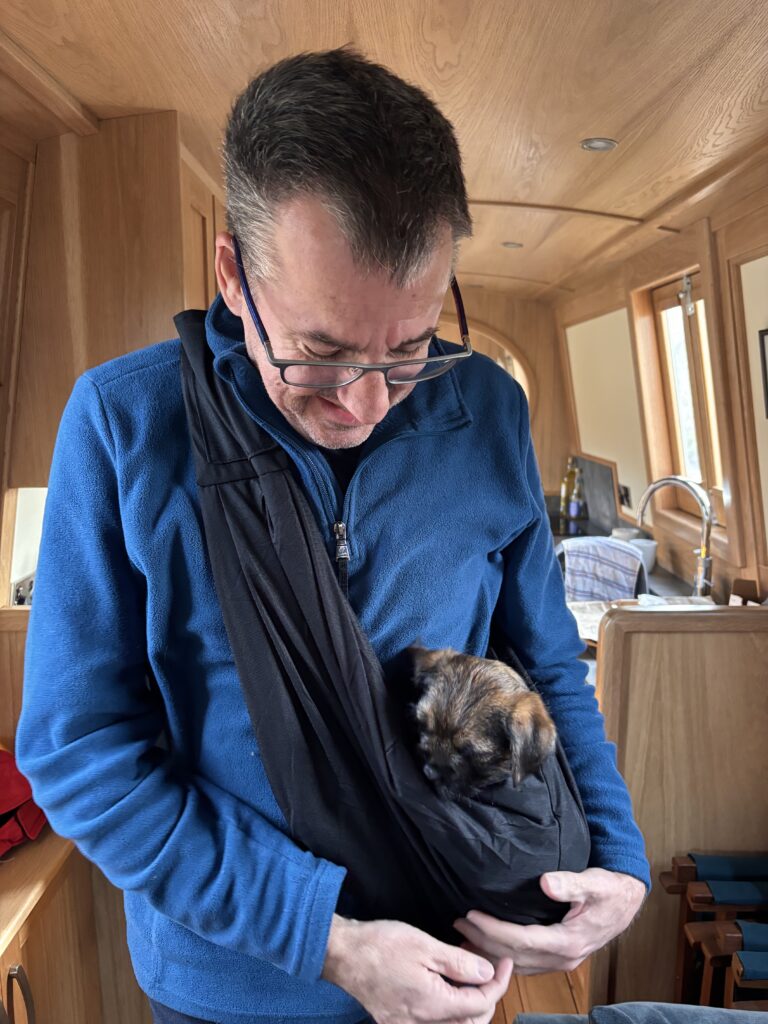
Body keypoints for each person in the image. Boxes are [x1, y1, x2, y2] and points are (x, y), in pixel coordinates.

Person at [16, 48, 648, 1024]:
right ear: (234, 276)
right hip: (230, 988)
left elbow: (548, 659)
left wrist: (619, 856)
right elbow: (78, 749)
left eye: (410, 348)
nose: (364, 402)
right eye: (320, 352)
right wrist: (324, 939)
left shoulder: (488, 410)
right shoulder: (121, 425)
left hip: (454, 958)